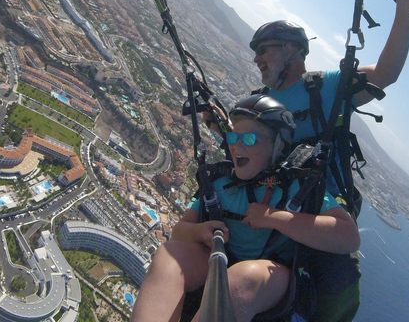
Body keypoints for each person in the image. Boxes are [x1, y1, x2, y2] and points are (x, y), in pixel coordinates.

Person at [205, 0, 409, 321]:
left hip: (315, 201)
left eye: (264, 50)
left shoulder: (324, 87)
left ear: (291, 50)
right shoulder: (257, 99)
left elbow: (386, 72)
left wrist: (405, 8)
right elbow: (246, 149)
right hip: (261, 198)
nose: (257, 59)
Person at [131, 95, 360, 322]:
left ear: (278, 145)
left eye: (249, 139)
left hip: (272, 274)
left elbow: (348, 236)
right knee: (169, 257)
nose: (236, 145)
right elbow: (180, 232)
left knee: (242, 278)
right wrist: (200, 232)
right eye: (232, 137)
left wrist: (274, 217)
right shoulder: (222, 183)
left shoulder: (297, 187)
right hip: (221, 258)